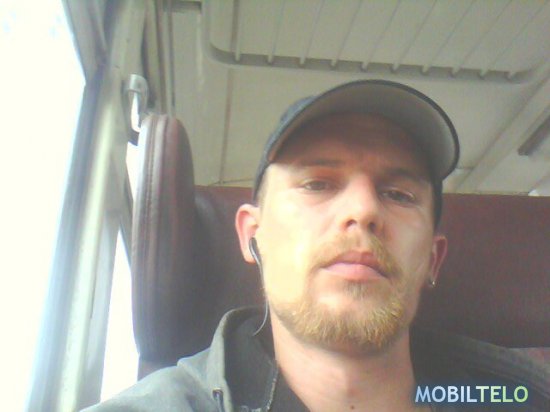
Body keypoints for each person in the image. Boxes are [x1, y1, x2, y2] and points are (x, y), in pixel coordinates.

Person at [85, 80, 549, 411]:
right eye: (317, 184)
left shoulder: (514, 397)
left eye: (398, 194)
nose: (363, 210)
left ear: (433, 259)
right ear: (251, 235)